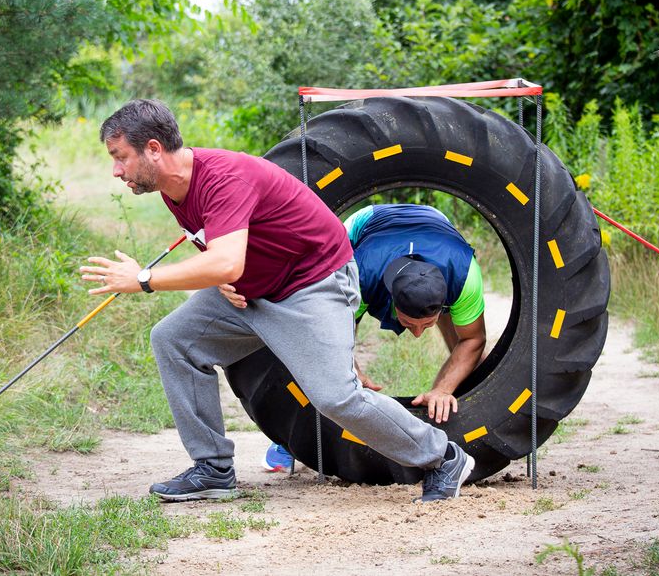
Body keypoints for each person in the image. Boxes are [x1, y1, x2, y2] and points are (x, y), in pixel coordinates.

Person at [79, 99, 474, 501]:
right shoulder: (173, 188)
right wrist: (223, 277)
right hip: (254, 293)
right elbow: (226, 254)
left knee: (336, 397)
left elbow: (227, 260)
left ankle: (442, 457)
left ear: (153, 149)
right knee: (173, 340)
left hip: (313, 284)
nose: (116, 170)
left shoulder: (223, 177)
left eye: (120, 157)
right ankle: (213, 469)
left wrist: (145, 279)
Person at [254, 203, 487, 473]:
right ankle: (287, 442)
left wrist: (443, 389)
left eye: (428, 324)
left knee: (466, 347)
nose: (418, 334)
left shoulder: (464, 275)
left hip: (437, 226)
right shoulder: (360, 273)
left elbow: (473, 340)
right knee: (314, 343)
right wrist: (351, 369)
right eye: (409, 323)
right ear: (390, 301)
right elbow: (329, 329)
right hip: (366, 226)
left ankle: (451, 410)